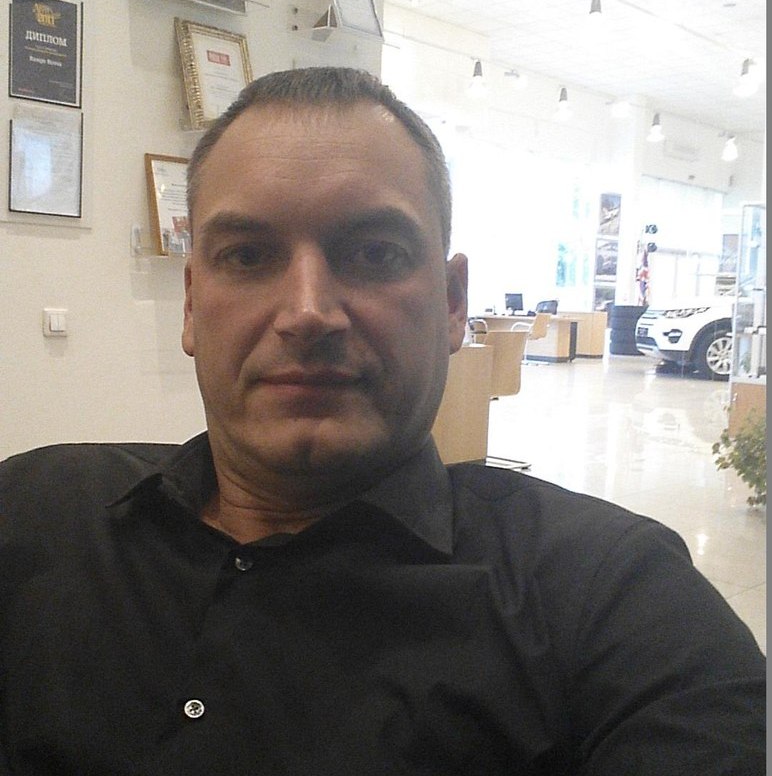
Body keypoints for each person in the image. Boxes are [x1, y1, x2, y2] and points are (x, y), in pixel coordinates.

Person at [0, 67, 765, 775]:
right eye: (248, 256)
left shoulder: (607, 600)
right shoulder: (34, 510)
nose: (307, 313)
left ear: (453, 302)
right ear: (193, 303)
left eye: (375, 252)